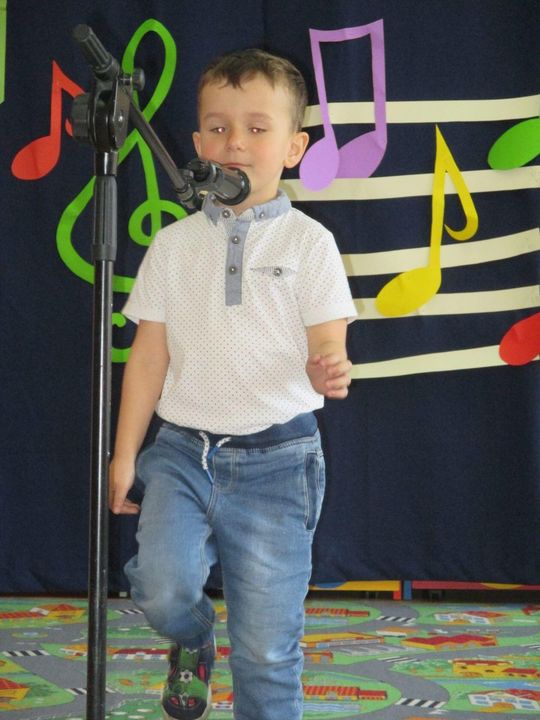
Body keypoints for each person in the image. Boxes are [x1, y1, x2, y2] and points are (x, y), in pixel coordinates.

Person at [109, 48, 357, 720]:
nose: (235, 143)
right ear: (197, 145)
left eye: (256, 128)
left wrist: (327, 363)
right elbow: (148, 356)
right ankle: (192, 639)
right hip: (183, 453)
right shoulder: (174, 245)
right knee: (160, 589)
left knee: (267, 652)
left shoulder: (310, 244)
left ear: (294, 147)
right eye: (218, 128)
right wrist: (126, 455)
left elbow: (328, 339)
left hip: (280, 462)